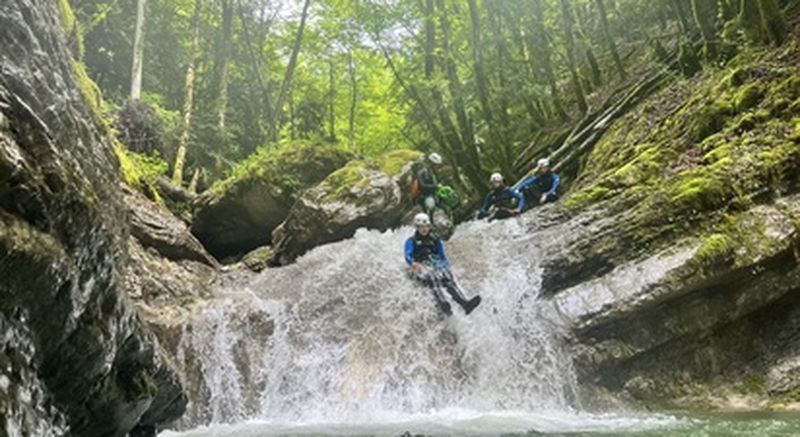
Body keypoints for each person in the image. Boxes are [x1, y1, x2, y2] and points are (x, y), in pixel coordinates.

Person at [404, 213, 481, 316]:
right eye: (421, 227)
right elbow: (407, 255)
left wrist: (445, 265)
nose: (424, 229)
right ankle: (443, 304)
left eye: (426, 226)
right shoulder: (411, 241)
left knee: (447, 275)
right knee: (432, 276)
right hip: (420, 266)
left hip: (433, 264)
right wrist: (413, 263)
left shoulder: (435, 239)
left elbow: (442, 255)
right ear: (417, 228)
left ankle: (464, 303)